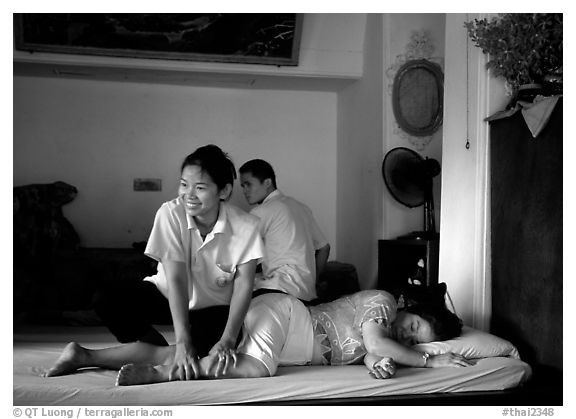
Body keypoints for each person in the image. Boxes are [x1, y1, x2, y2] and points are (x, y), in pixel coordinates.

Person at [92, 144, 264, 381]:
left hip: (213, 311)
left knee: (215, 345)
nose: (188, 195)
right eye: (184, 185)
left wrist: (227, 340)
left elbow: (244, 287)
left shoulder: (247, 226)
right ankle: (162, 350)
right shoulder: (170, 213)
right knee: (107, 298)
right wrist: (182, 343)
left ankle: (94, 356)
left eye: (200, 188)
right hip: (168, 295)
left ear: (223, 191)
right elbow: (176, 278)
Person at [44, 289, 472, 384]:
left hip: (287, 335)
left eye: (416, 340)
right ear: (410, 309)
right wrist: (432, 360)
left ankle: (82, 354)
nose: (407, 335)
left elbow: (368, 352)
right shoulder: (382, 303)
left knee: (168, 347)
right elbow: (377, 340)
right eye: (414, 327)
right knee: (255, 369)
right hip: (289, 317)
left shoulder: (385, 341)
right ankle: (161, 376)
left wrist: (379, 365)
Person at [238, 159, 331, 302]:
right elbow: (324, 247)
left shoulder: (261, 211)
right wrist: (314, 281)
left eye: (248, 185)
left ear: (267, 183)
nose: (244, 191)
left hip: (278, 289)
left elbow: (239, 254)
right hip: (307, 293)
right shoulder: (301, 208)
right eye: (242, 186)